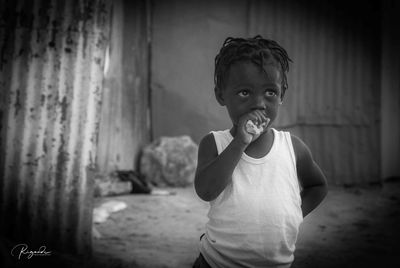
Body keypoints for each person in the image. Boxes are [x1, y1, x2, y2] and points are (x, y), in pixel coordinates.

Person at [193, 36, 328, 268]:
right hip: (215, 263)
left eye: (270, 92)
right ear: (220, 95)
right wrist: (240, 143)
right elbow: (206, 191)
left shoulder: (293, 148)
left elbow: (318, 186)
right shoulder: (214, 143)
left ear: (282, 95)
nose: (259, 103)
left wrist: (295, 214)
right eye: (245, 93)